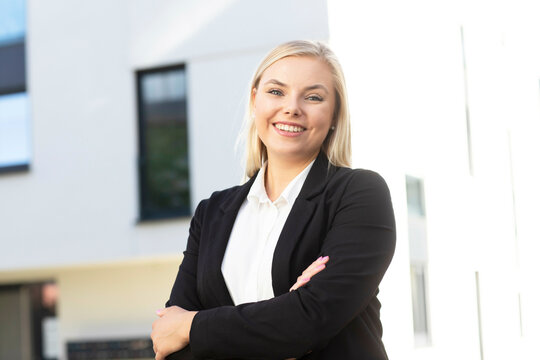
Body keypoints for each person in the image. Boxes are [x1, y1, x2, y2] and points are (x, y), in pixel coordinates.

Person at [151, 40, 396, 360]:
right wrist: (281, 326)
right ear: (255, 101)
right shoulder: (211, 213)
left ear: (335, 113)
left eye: (313, 97)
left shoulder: (359, 194)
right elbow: (170, 343)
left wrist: (194, 326)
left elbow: (308, 321)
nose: (292, 107)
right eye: (276, 91)